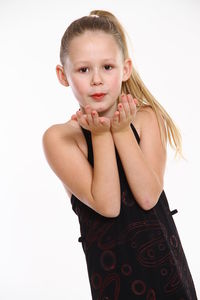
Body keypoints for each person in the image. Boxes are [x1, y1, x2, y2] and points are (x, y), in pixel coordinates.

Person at [42, 9, 197, 300]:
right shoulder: (60, 138)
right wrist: (101, 133)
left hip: (168, 277)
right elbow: (109, 205)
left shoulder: (147, 118)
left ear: (125, 69)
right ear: (63, 75)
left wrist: (122, 130)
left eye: (108, 67)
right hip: (113, 281)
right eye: (84, 69)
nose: (97, 79)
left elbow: (149, 196)